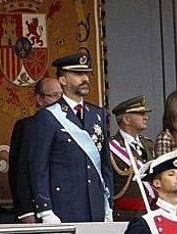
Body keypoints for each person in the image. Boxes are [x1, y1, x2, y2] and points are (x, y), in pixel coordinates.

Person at [28, 52, 113, 223]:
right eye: (78, 74)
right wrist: (45, 210)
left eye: (86, 73)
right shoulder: (48, 116)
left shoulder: (98, 114)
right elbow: (39, 167)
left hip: (95, 204)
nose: (85, 78)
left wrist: (108, 203)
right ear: (62, 80)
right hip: (64, 206)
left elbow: (105, 164)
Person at [8, 77, 61, 223]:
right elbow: (20, 172)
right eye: (54, 95)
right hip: (40, 209)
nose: (59, 100)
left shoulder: (73, 127)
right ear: (39, 99)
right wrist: (26, 212)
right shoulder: (27, 126)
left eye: (61, 96)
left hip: (67, 204)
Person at [109, 96, 156, 221]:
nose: (146, 117)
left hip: (151, 212)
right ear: (126, 119)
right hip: (126, 215)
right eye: (141, 113)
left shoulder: (149, 144)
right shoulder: (110, 147)